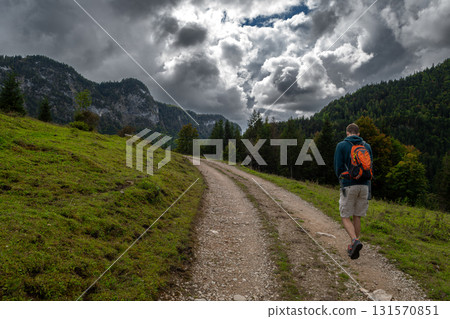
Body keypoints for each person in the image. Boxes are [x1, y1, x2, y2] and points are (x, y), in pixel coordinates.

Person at [334, 123, 373, 260]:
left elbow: (338, 167)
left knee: (345, 216)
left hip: (349, 185)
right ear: (358, 133)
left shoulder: (342, 145)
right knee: (357, 216)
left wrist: (342, 178)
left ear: (347, 133)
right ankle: (353, 246)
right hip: (364, 186)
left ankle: (355, 241)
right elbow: (370, 167)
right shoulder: (366, 146)